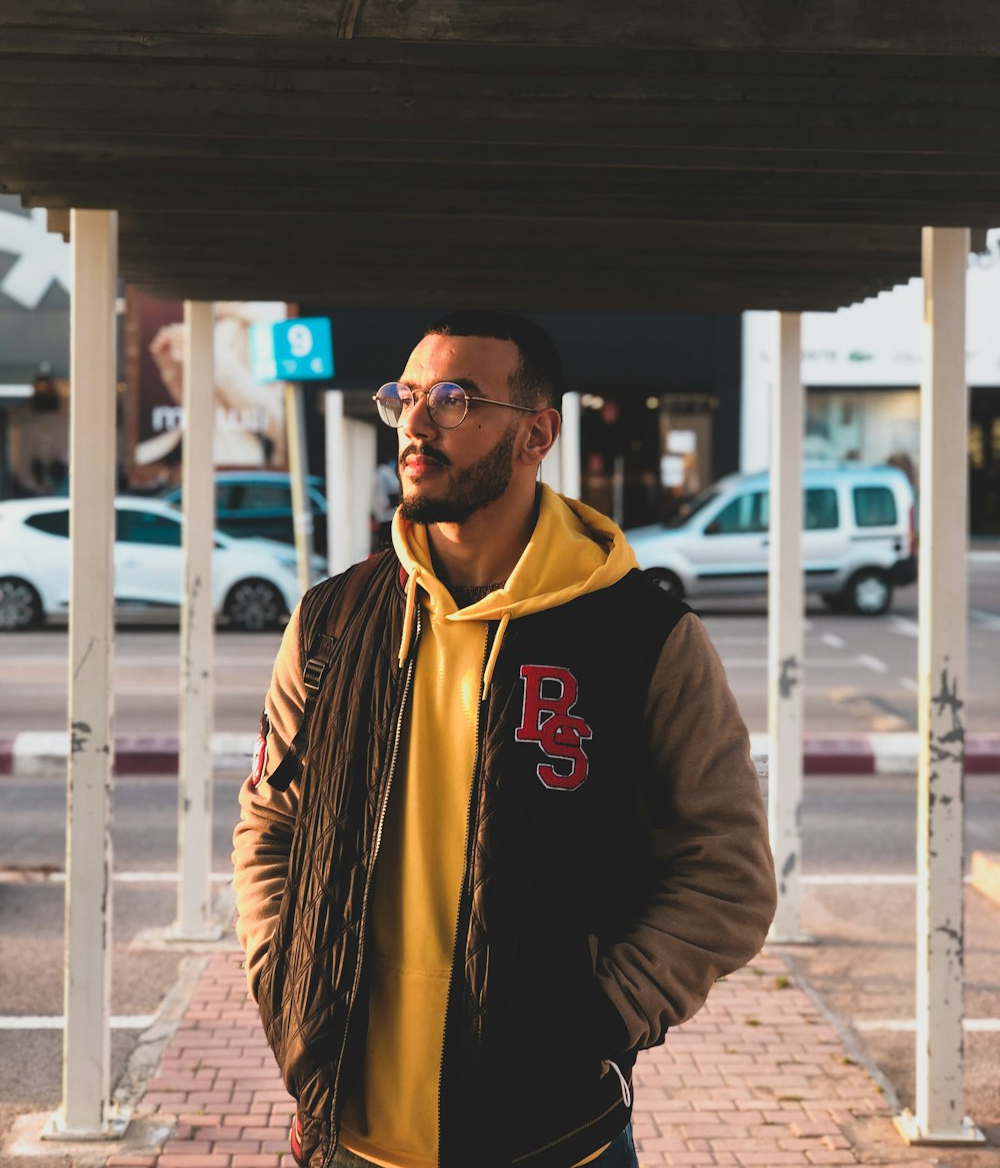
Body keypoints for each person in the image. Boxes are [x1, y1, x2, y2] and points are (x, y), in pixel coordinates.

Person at [232, 310, 776, 1168]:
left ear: (537, 434)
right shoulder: (331, 622)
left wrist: (593, 1018)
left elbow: (730, 875)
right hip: (342, 1138)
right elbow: (270, 824)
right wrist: (284, 982)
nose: (416, 422)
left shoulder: (643, 637)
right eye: (404, 397)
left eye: (454, 400)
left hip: (555, 1142)